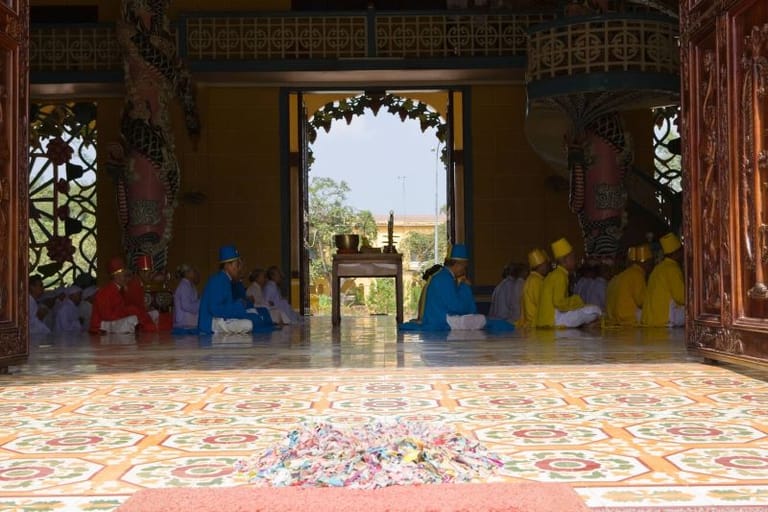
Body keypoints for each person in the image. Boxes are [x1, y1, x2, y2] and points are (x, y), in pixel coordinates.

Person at [198, 245, 274, 335]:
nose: (238, 269)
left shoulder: (225, 279)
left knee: (254, 316)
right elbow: (214, 309)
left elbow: (226, 305)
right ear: (227, 265)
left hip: (222, 318)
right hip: (211, 322)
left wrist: (238, 306)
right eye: (237, 265)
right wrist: (238, 306)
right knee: (248, 324)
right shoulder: (218, 280)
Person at [536, 237, 601, 328]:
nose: (575, 261)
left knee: (587, 309)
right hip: (553, 320)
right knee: (595, 310)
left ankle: (585, 324)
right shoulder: (560, 276)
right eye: (573, 258)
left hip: (546, 319)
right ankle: (587, 325)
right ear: (565, 261)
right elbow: (559, 303)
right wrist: (577, 300)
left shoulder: (555, 274)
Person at [418, 244, 485, 331]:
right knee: (482, 320)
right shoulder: (445, 278)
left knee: (479, 319)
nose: (464, 270)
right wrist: (465, 287)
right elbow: (456, 307)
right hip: (441, 320)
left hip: (439, 318)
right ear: (457, 264)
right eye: (464, 267)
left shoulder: (444, 276)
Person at [89, 256, 157, 333]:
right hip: (102, 325)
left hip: (116, 320)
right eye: (123, 275)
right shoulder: (104, 292)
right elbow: (106, 316)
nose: (126, 278)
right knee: (133, 317)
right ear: (115, 276)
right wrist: (127, 311)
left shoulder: (120, 289)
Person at [641, 232, 685, 327]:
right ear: (676, 253)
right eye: (681, 251)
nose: (683, 254)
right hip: (664, 318)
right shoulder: (672, 268)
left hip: (652, 318)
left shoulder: (659, 267)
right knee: (695, 313)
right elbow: (681, 297)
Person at [605, 244, 654, 326]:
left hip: (615, 321)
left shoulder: (618, 277)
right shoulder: (637, 274)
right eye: (651, 262)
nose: (652, 266)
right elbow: (642, 301)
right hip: (629, 320)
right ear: (646, 262)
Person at [518, 248, 551, 328]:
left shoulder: (531, 279)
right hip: (534, 325)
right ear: (541, 266)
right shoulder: (536, 281)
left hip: (531, 324)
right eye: (546, 264)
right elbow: (542, 305)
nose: (548, 267)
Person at [124, 254, 160, 326]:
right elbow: (135, 305)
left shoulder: (139, 282)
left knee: (155, 313)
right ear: (141, 272)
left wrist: (148, 308)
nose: (150, 276)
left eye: (150, 274)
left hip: (137, 311)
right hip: (130, 313)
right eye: (148, 273)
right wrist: (146, 309)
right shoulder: (134, 283)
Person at [173, 263, 200, 330]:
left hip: (189, 319)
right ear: (187, 273)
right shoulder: (184, 286)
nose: (195, 273)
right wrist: (200, 303)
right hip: (184, 321)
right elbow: (186, 305)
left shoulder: (190, 285)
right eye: (193, 271)